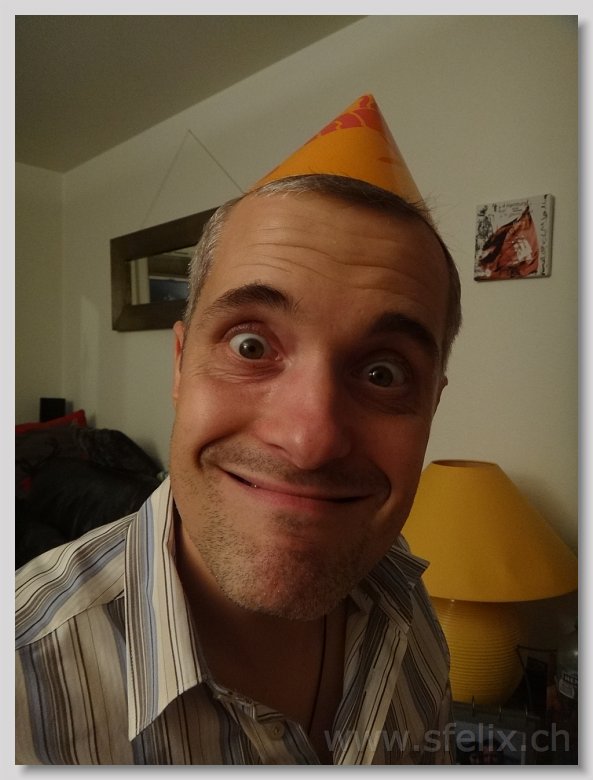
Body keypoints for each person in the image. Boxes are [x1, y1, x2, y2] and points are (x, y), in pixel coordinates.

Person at [15, 94, 461, 765]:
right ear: (179, 364)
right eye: (251, 345)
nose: (308, 441)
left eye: (383, 373)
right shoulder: (20, 686)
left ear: (431, 404)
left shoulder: (408, 604)